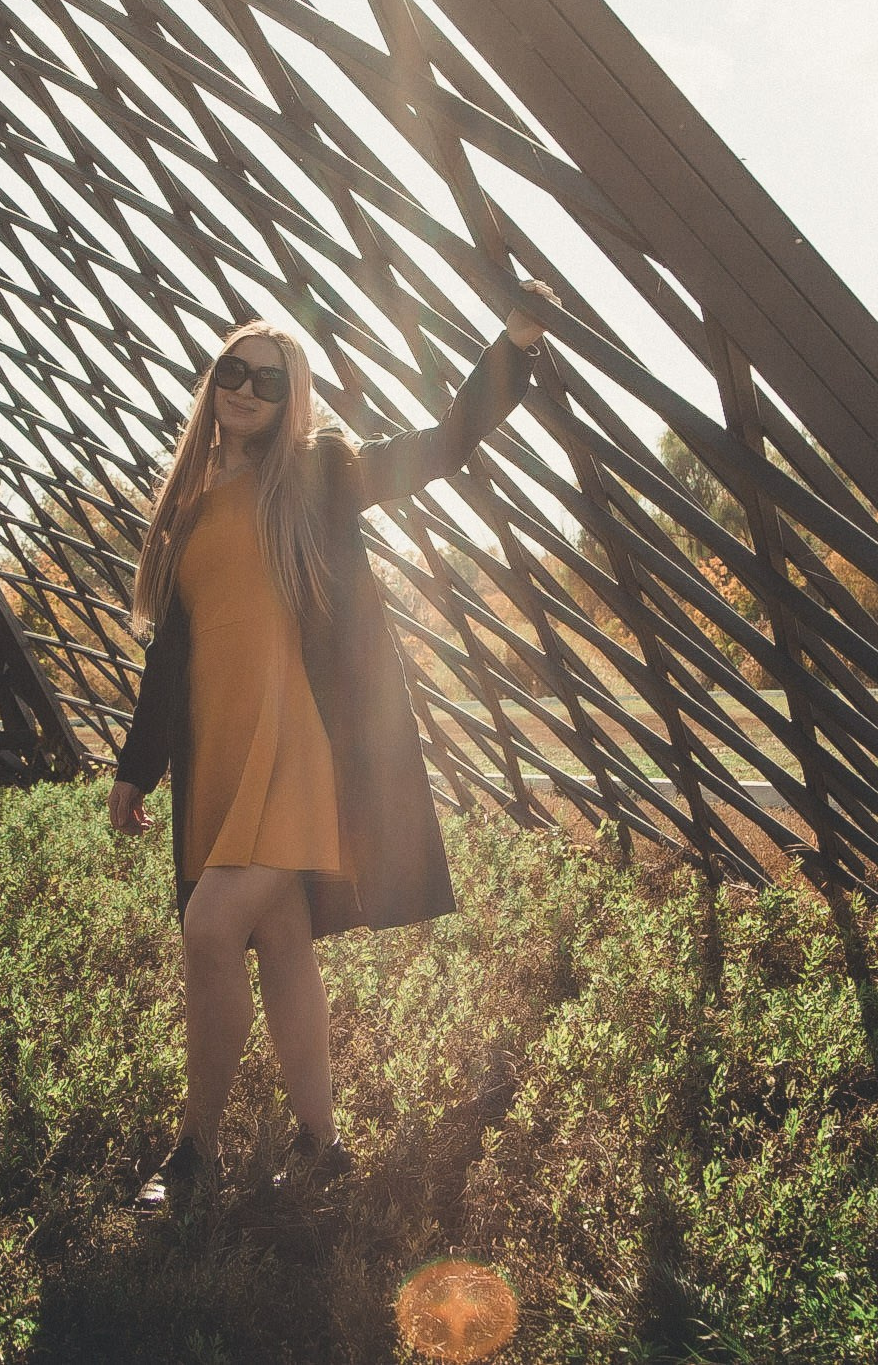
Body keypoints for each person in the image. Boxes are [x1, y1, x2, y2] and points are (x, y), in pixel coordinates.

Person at [107, 286, 553, 1210]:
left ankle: (195, 1153)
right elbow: (170, 654)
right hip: (221, 757)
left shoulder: (318, 472)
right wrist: (134, 768)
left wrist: (512, 348)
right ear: (214, 380)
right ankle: (322, 1146)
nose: (245, 388)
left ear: (292, 394)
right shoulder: (187, 500)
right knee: (281, 943)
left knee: (209, 929)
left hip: (296, 751)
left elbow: (441, 445)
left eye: (267, 379)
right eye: (233, 370)